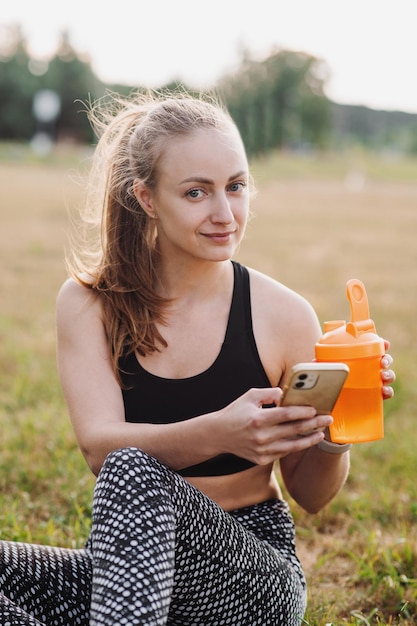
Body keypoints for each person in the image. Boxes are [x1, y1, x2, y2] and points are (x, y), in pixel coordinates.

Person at [0, 91, 395, 626]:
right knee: (128, 470)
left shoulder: (283, 315)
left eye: (236, 187)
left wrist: (333, 431)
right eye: (195, 192)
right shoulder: (87, 304)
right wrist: (223, 433)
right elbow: (99, 448)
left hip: (255, 574)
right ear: (146, 197)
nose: (223, 213)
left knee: (136, 468)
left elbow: (311, 496)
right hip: (134, 568)